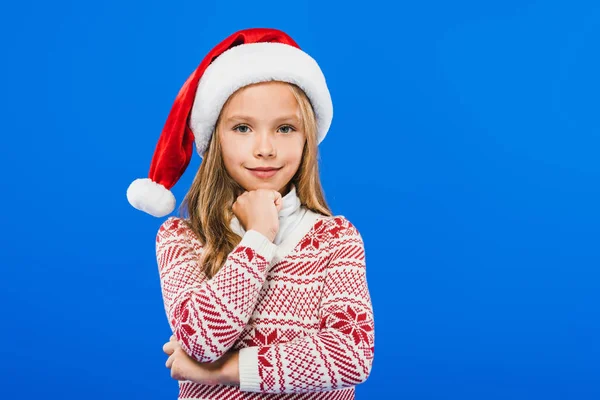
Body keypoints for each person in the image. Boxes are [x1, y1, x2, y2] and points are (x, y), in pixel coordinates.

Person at [126, 28, 375, 399]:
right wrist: (258, 237)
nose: (265, 148)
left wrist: (223, 372)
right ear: (214, 138)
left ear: (307, 137)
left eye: (285, 128)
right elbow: (201, 341)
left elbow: (351, 356)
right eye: (242, 128)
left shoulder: (335, 238)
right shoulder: (182, 239)